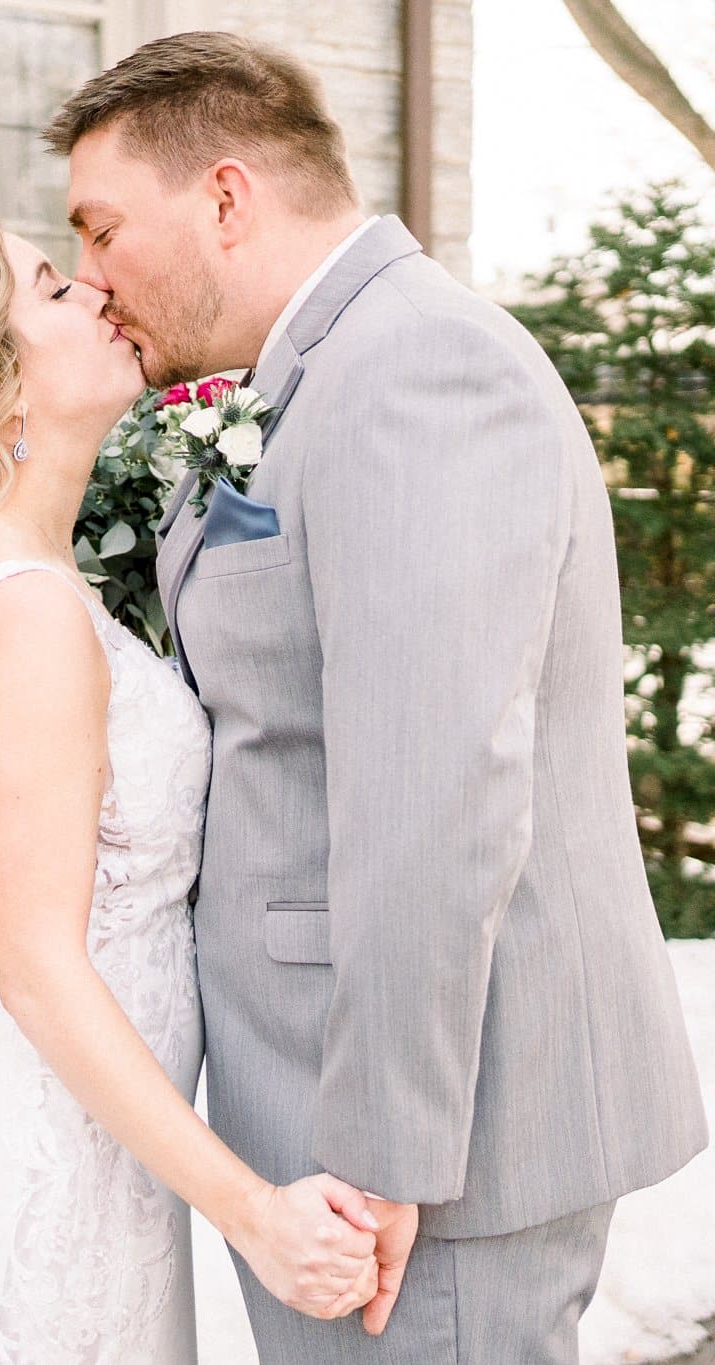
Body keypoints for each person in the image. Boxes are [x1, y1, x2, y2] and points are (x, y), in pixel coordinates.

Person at [44, 30, 708, 1363]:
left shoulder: (416, 373)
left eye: (102, 229)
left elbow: (436, 798)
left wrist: (383, 1158)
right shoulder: (306, 380)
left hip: (421, 1154)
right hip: (327, 1111)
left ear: (225, 198)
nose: (93, 278)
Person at [0, 207, 381, 1365]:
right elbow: (35, 970)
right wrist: (256, 1214)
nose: (92, 287)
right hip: (53, 1151)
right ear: (2, 393)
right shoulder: (24, 612)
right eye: (52, 289)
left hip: (8, 1104)